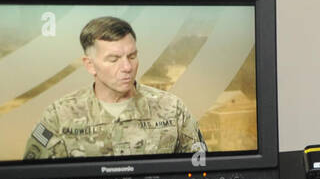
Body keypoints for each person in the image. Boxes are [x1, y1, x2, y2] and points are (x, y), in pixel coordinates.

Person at [24, 16, 204, 159]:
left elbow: (200, 169)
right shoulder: (59, 116)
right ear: (90, 65)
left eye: (132, 57)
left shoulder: (172, 109)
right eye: (114, 59)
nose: (127, 67)